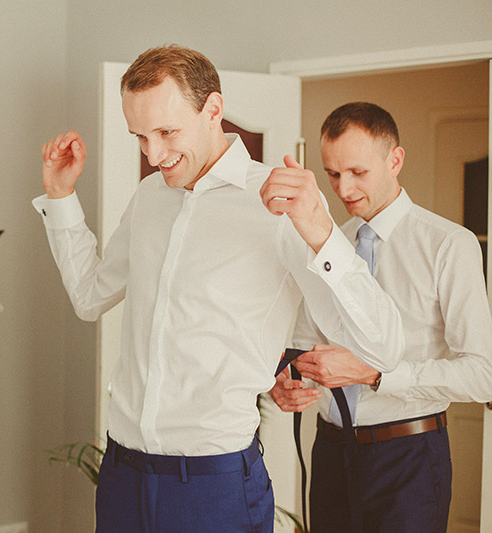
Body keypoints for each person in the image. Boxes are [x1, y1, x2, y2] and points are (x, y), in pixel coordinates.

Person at [33, 46, 404, 531]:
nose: (153, 155)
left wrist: (321, 231)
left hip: (214, 486)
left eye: (167, 132)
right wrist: (60, 196)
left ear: (213, 110)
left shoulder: (281, 207)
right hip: (122, 474)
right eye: (140, 137)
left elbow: (383, 346)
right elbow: (89, 296)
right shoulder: (149, 197)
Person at [270, 101, 492, 532]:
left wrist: (374, 375)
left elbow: (482, 374)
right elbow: (306, 343)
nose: (344, 188)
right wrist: (291, 382)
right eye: (333, 174)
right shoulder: (328, 245)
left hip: (408, 459)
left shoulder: (450, 245)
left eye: (358, 172)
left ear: (395, 160)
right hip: (330, 452)